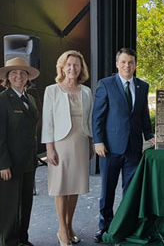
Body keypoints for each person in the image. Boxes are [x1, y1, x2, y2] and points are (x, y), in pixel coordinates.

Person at [92, 48, 154, 242]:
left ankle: (126, 226)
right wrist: (98, 140)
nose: (127, 66)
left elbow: (143, 115)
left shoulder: (142, 86)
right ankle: (105, 227)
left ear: (135, 65)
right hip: (110, 148)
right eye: (123, 62)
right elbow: (98, 116)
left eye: (131, 62)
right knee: (107, 191)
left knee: (130, 191)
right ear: (117, 64)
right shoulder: (106, 84)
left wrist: (149, 135)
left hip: (134, 148)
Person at [41, 50, 94, 246]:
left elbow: (88, 120)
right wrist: (49, 149)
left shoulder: (86, 91)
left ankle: (70, 225)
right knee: (61, 188)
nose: (72, 68)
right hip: (60, 144)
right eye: (68, 64)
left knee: (75, 188)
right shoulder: (51, 90)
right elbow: (48, 122)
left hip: (80, 142)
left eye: (76, 65)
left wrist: (90, 142)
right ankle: (62, 230)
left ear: (81, 68)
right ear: (62, 67)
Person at [0, 57, 40, 246]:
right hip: (8, 165)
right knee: (9, 209)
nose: (18, 76)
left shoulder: (31, 99)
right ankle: (9, 243)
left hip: (27, 163)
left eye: (22, 73)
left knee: (25, 206)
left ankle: (22, 240)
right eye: (14, 73)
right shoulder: (0, 101)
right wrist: (2, 164)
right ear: (7, 78)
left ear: (28, 77)